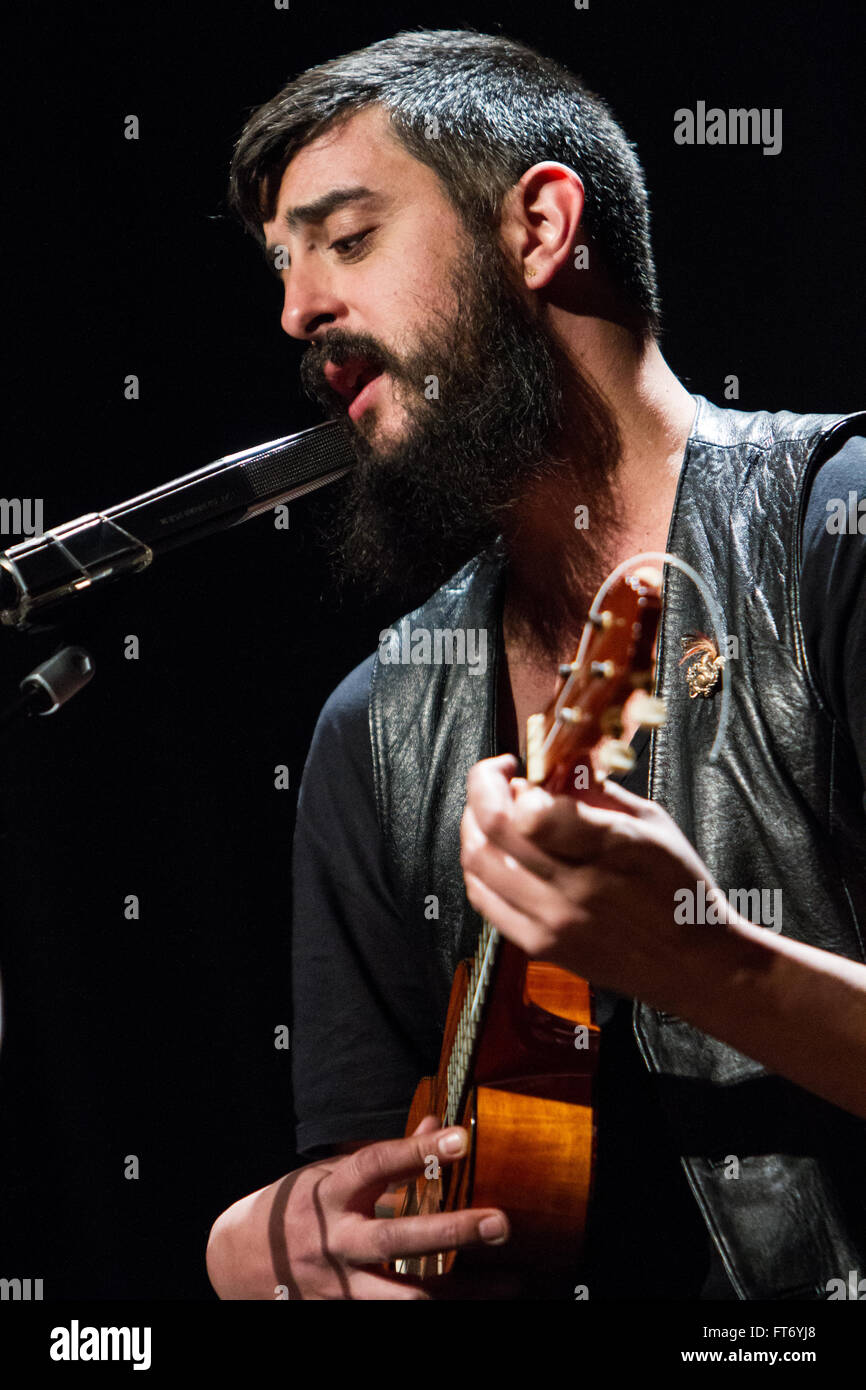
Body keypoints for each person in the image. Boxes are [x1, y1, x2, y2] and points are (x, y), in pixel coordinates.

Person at [205, 28, 866, 1301]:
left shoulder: (833, 536)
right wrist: (266, 1249)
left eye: (346, 240)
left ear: (539, 225)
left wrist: (708, 962)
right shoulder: (376, 726)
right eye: (283, 269)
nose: (296, 312)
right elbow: (387, 1205)